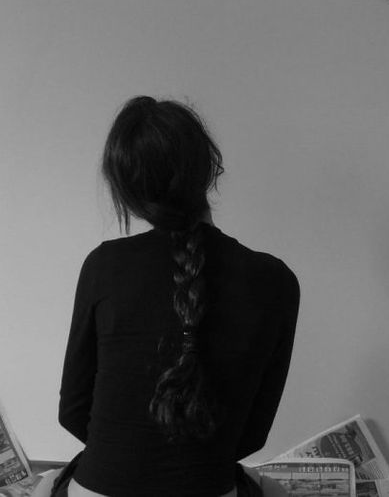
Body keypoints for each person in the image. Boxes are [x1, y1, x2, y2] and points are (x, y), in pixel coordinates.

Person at [56, 96, 300, 497]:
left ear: (127, 191)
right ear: (209, 171)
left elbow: (73, 413)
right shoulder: (275, 281)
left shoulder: (103, 266)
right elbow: (252, 434)